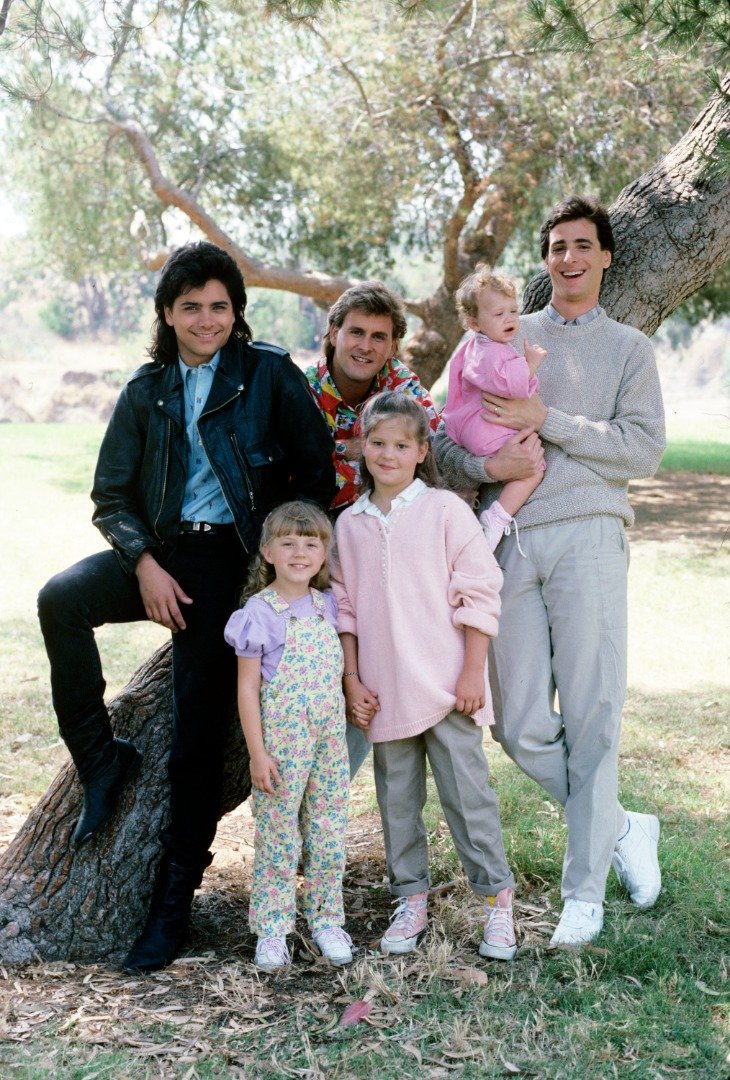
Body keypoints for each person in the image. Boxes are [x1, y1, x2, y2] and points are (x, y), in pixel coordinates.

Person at [37, 242, 335, 973]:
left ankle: (172, 907)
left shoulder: (268, 374)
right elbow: (111, 495)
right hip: (156, 551)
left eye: (219, 306)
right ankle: (101, 761)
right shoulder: (148, 391)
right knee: (60, 600)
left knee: (198, 733)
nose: (206, 319)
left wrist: (268, 563)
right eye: (191, 306)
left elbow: (316, 475)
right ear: (167, 314)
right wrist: (142, 562)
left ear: (236, 314)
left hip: (223, 560)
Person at [435, 195, 666, 946]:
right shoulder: (498, 328)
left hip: (592, 535)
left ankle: (583, 895)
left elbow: (642, 450)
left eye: (582, 245)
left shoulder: (629, 348)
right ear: (546, 260)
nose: (568, 258)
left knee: (594, 713)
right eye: (557, 246)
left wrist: (551, 422)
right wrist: (485, 463)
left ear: (604, 257)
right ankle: (623, 824)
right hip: (509, 542)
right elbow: (441, 440)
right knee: (522, 723)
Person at [332, 393, 517, 961]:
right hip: (384, 690)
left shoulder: (443, 510)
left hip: (445, 685)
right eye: (379, 443)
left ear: (420, 450)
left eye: (401, 445)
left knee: (469, 796)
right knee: (396, 798)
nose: (388, 454)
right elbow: (345, 609)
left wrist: (471, 673)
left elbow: (480, 589)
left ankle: (496, 904)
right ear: (363, 447)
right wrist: (352, 679)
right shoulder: (349, 524)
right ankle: (410, 898)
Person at [224, 502, 351, 972]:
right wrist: (257, 754)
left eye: (311, 542)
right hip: (281, 741)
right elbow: (247, 688)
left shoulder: (328, 606)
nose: (300, 552)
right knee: (279, 836)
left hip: (329, 739)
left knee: (329, 830)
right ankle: (273, 929)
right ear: (268, 551)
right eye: (288, 542)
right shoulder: (260, 612)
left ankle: (326, 920)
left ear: (324, 553)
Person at [443, 268, 547, 550]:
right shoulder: (494, 351)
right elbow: (510, 386)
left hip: (470, 428)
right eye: (499, 314)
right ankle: (497, 517)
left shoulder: (474, 347)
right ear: (474, 322)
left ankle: (466, 507)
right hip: (487, 430)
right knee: (534, 466)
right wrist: (530, 364)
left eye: (513, 311)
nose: (510, 319)